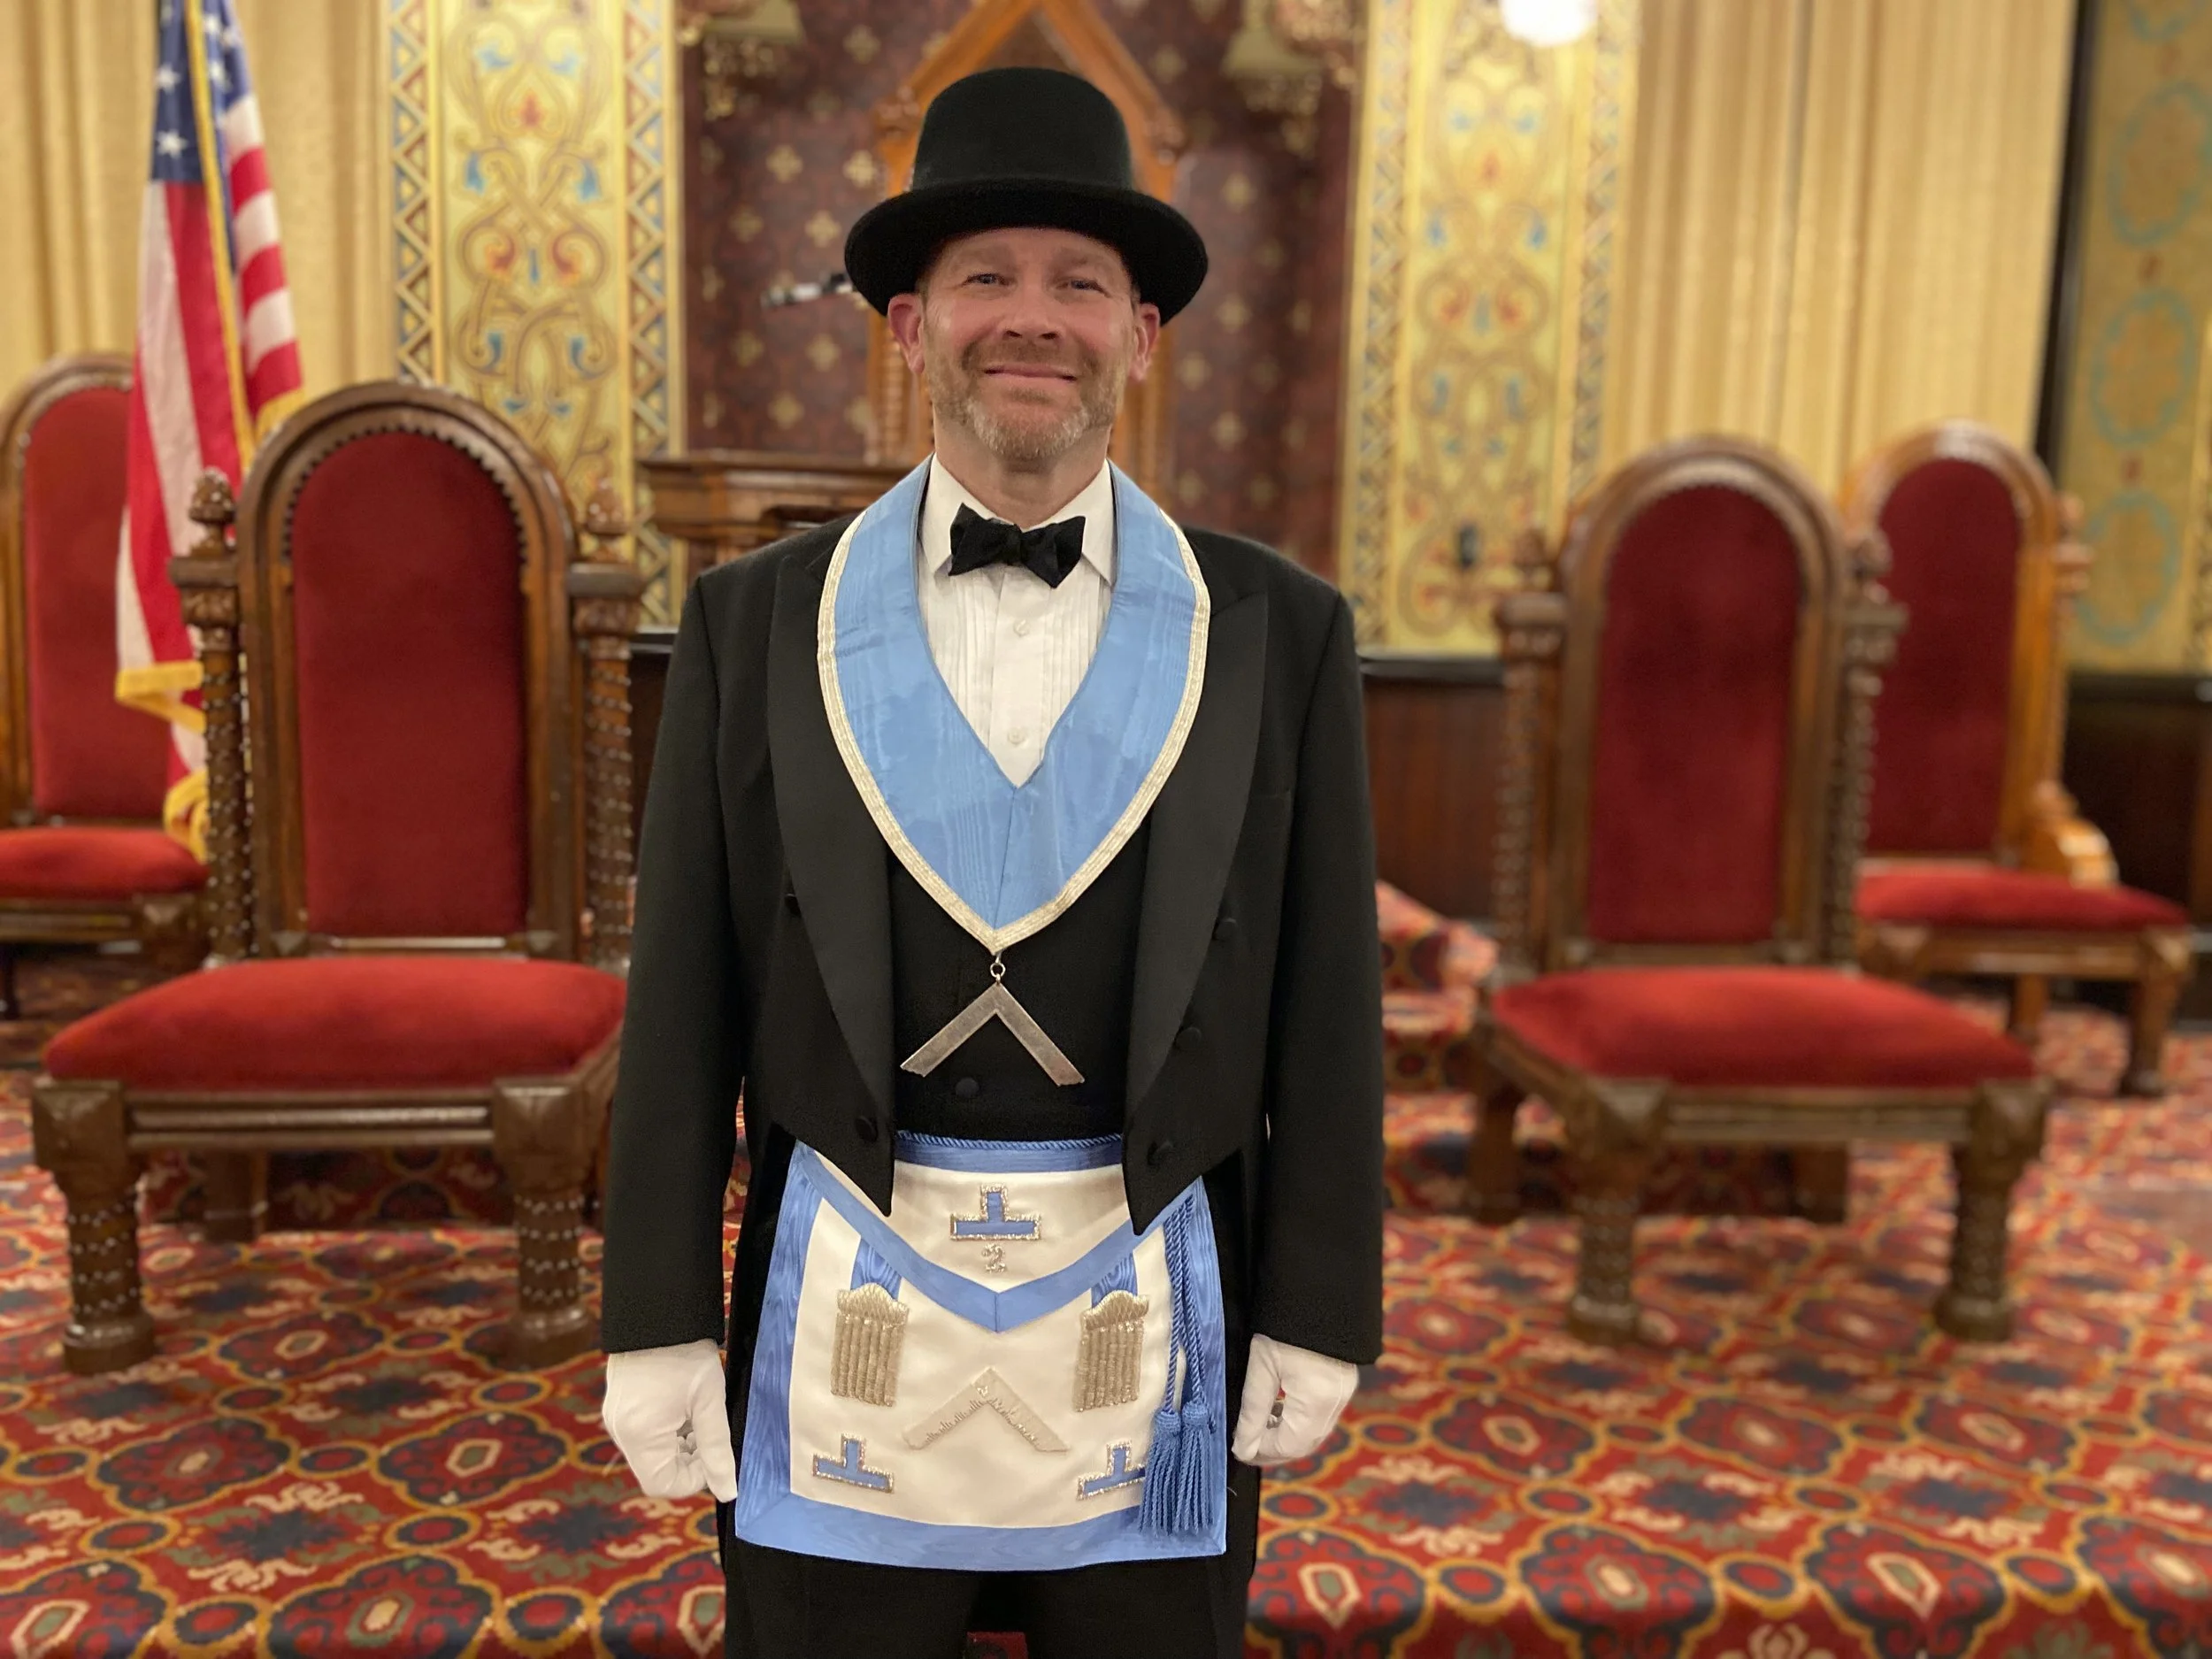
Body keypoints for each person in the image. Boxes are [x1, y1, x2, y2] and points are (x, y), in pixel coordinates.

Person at [597, 65, 1384, 1659]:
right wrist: (656, 1317)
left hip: (1159, 1323)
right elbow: (681, 994)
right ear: (909, 326)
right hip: (841, 1319)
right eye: (986, 280)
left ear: (1142, 336)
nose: (1033, 318)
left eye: (1080, 284)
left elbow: (1328, 1004)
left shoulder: (1279, 632)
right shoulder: (754, 625)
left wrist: (1322, 1302)